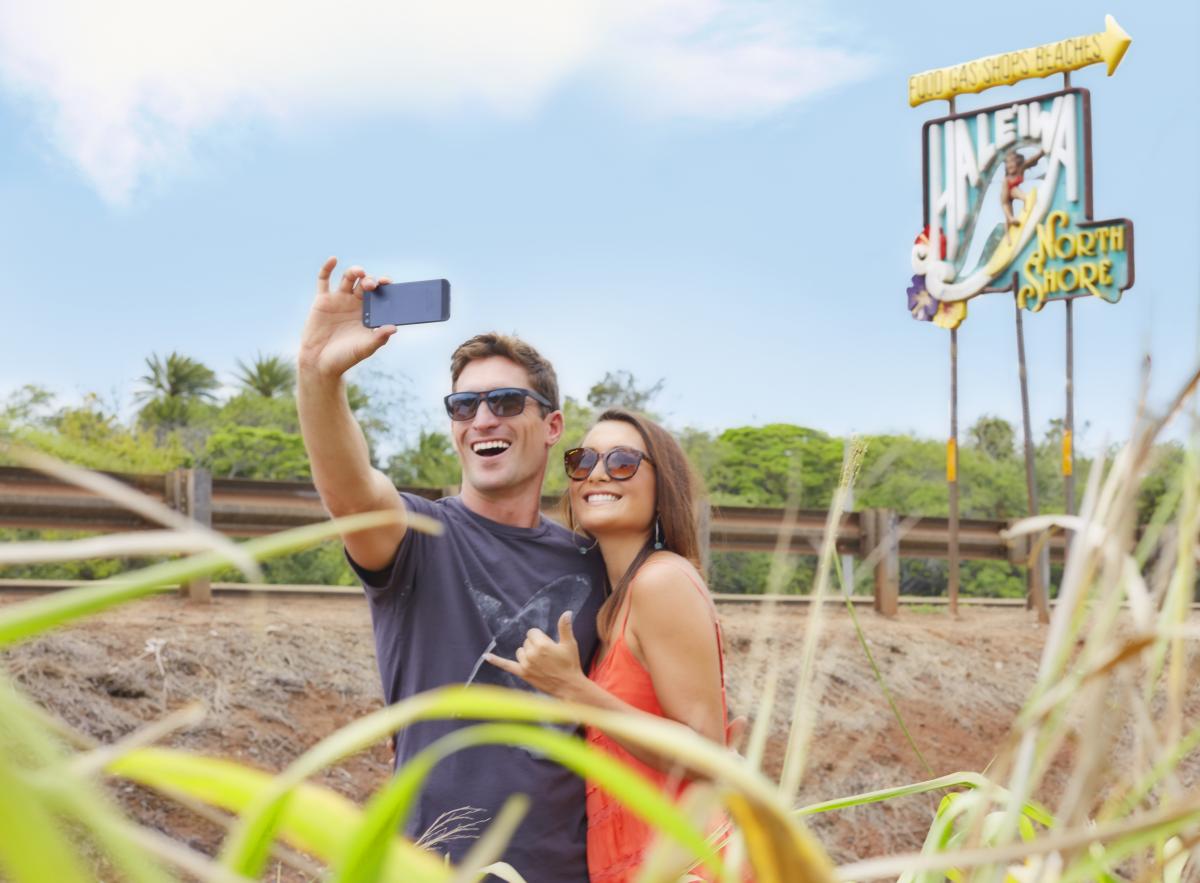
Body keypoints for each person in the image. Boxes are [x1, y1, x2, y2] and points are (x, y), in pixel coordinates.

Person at [296, 258, 606, 881]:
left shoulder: (596, 561)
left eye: (505, 401)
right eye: (464, 405)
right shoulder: (418, 536)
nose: (482, 418)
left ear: (551, 426)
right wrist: (317, 374)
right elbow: (351, 493)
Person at [485, 408, 729, 882]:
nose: (597, 472)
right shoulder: (613, 603)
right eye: (581, 461)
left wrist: (574, 689)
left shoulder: (661, 581)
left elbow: (708, 757)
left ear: (663, 487)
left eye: (622, 462)